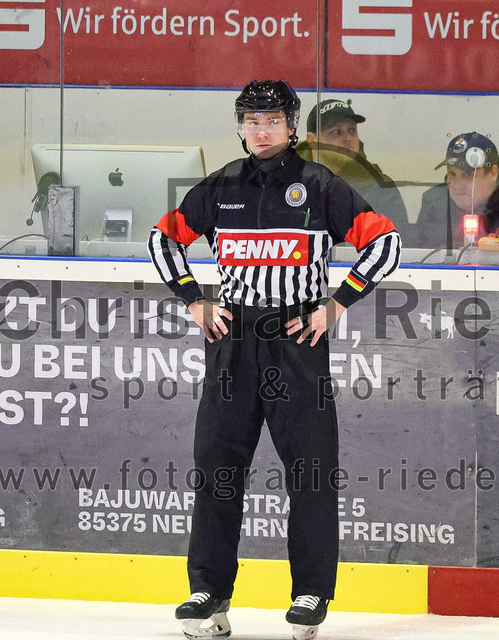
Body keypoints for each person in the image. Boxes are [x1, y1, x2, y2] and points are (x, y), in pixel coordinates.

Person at [147, 80, 401, 640]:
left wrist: (337, 304)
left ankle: (311, 592)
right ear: (240, 126)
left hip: (296, 340)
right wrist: (193, 300)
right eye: (252, 120)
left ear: (291, 126)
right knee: (217, 466)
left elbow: (386, 243)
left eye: (273, 120)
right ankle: (208, 592)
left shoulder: (320, 185)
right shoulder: (221, 186)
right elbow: (162, 240)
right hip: (233, 337)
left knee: (310, 470)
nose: (262, 130)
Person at [296, 98, 409, 237]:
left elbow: (398, 243)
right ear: (312, 140)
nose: (348, 138)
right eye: (336, 132)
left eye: (352, 130)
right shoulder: (288, 181)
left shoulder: (380, 188)